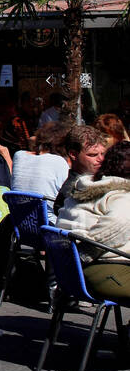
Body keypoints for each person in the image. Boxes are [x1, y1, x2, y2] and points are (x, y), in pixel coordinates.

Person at [57, 141, 130, 299]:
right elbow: (115, 227)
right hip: (103, 270)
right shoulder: (123, 195)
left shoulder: (86, 186)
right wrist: (84, 254)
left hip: (68, 271)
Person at [55, 125, 108, 215]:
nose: (101, 159)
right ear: (73, 154)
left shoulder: (103, 177)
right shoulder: (71, 193)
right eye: (92, 155)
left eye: (103, 154)